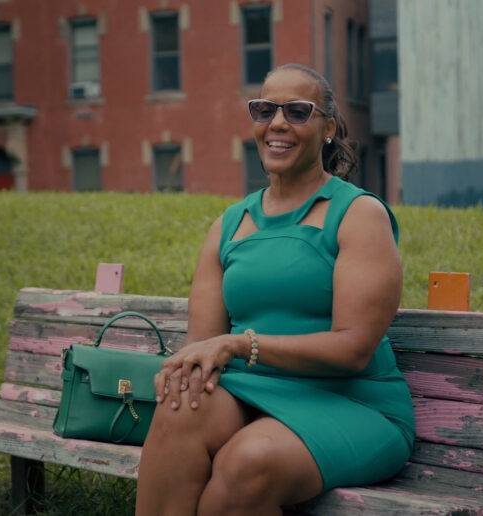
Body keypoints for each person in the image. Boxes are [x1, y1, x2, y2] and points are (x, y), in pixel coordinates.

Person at [135, 63, 414, 516]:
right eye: (265, 109)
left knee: (248, 462)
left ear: (327, 128)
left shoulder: (358, 215)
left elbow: (353, 350)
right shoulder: (229, 226)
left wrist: (243, 344)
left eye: (298, 111)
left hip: (351, 403)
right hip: (250, 395)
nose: (278, 123)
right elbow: (202, 349)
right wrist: (191, 364)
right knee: (179, 407)